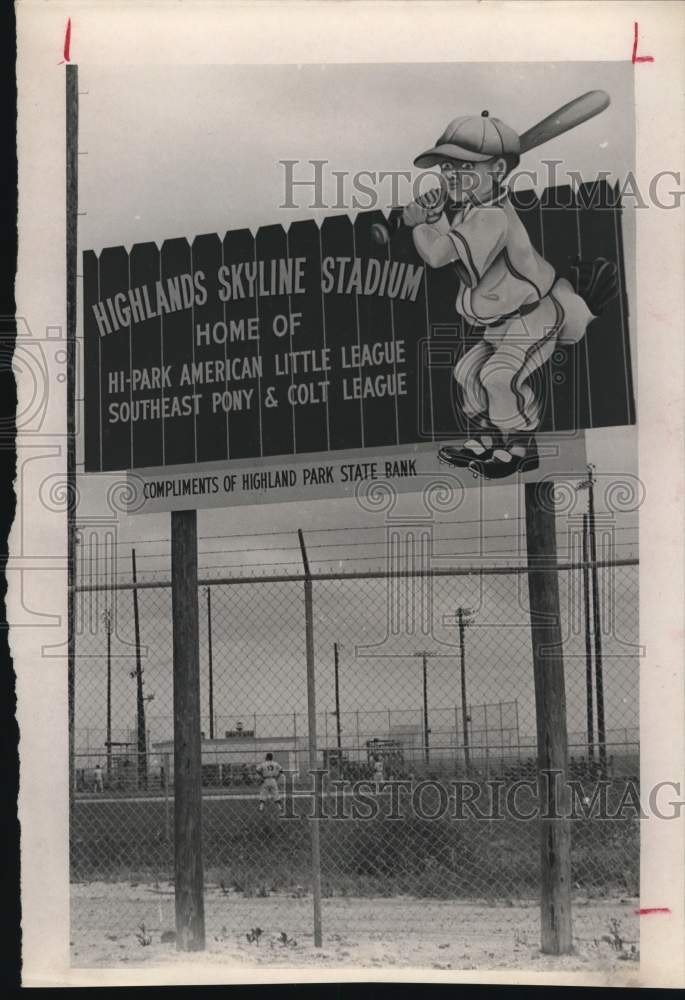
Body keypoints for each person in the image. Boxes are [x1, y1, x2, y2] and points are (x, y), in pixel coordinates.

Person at [404, 110, 618, 479]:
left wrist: (419, 224)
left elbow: (439, 256)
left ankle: (521, 448)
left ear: (498, 169)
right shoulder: (472, 212)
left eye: (464, 165)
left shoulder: (493, 216)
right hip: (502, 323)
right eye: (446, 167)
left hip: (533, 316)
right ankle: (488, 440)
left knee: (497, 375)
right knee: (466, 372)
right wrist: (437, 216)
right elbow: (459, 258)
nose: (450, 174)